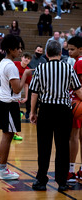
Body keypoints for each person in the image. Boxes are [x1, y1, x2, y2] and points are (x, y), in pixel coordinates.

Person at [29, 40, 82, 192]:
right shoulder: (68, 68)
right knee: (63, 147)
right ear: (60, 53)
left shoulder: (40, 68)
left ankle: (41, 181)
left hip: (46, 110)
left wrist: (33, 112)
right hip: (64, 112)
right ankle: (62, 182)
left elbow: (34, 93)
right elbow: (78, 91)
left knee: (44, 147)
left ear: (46, 54)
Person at [0, 34, 33, 180]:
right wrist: (25, 75)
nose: (20, 51)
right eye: (18, 48)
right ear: (10, 49)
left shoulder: (2, 63)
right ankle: (2, 169)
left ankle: (2, 168)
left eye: (21, 48)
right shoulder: (12, 66)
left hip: (2, 102)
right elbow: (17, 89)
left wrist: (1, 87)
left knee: (7, 135)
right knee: (7, 136)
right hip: (8, 104)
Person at [67, 36, 82, 183]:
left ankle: (70, 171)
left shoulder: (79, 63)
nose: (69, 52)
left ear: (80, 49)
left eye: (72, 49)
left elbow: (78, 88)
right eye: (68, 49)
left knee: (73, 137)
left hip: (77, 103)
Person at [13, 52, 32, 140]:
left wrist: (26, 97)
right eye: (25, 57)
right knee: (12, 113)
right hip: (9, 91)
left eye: (28, 58)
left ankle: (14, 133)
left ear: (29, 61)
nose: (26, 59)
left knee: (15, 113)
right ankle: (10, 132)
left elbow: (26, 85)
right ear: (21, 58)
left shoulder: (28, 70)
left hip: (17, 94)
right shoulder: (14, 64)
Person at [25, 45, 47, 119]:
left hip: (39, 83)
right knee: (28, 98)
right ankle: (28, 111)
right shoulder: (30, 59)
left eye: (41, 51)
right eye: (38, 51)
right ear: (35, 50)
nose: (39, 52)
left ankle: (35, 112)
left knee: (37, 99)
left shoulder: (44, 60)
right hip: (29, 82)